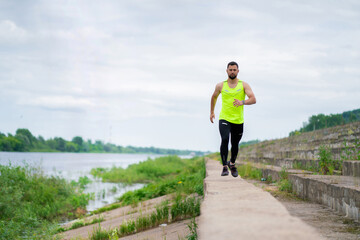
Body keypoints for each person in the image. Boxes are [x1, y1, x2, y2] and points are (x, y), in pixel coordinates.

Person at [210, 61, 256, 177]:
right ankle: (225, 166)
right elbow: (214, 97)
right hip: (224, 118)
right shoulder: (220, 85)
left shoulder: (243, 85)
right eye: (230, 70)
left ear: (238, 71)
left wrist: (242, 102)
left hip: (238, 120)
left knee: (235, 144)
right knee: (224, 139)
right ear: (227, 71)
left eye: (234, 70)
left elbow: (253, 99)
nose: (232, 72)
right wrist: (212, 112)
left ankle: (232, 164)